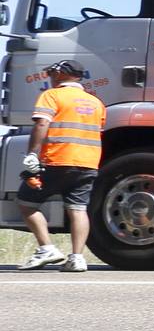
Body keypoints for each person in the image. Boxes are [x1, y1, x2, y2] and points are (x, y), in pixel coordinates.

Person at [16, 61, 104, 272]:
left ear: (61, 74)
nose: (49, 76)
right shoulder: (96, 102)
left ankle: (47, 249)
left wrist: (32, 154)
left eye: (51, 72)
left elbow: (42, 124)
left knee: (26, 202)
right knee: (78, 209)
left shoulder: (52, 95)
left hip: (58, 159)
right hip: (88, 162)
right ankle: (77, 258)